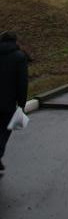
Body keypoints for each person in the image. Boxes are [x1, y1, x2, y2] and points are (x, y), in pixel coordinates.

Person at [0, 31, 29, 172]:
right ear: (15, 41)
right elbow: (22, 83)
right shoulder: (19, 57)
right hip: (7, 103)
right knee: (4, 132)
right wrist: (22, 104)